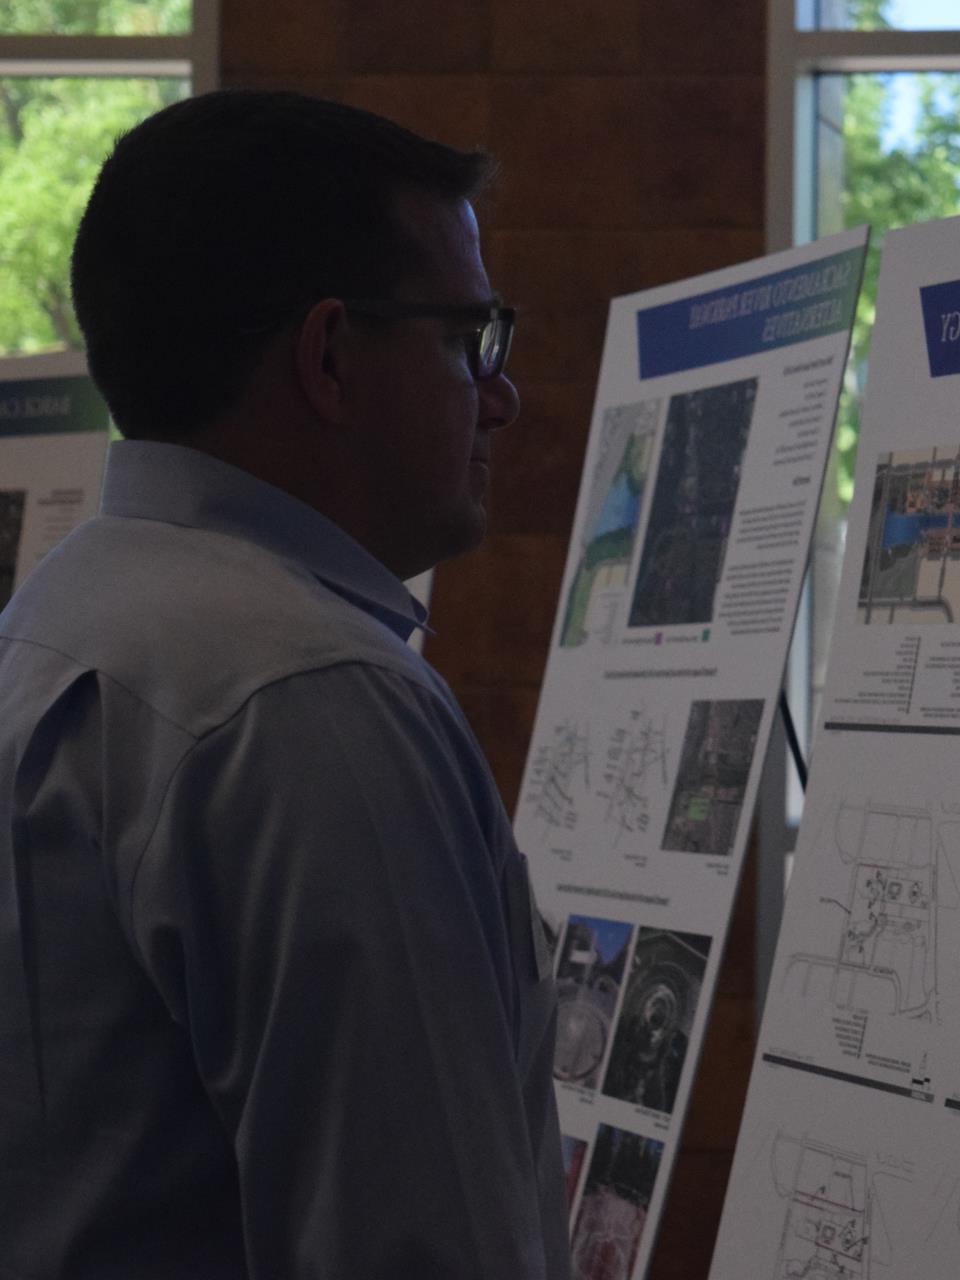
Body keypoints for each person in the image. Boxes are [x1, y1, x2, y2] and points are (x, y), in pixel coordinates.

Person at [0, 91, 568, 1277]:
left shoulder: (56, 618)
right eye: (470, 339)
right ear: (328, 356)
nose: (501, 395)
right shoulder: (310, 701)